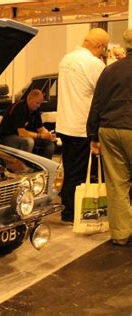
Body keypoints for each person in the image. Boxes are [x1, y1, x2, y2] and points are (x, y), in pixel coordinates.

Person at [56, 28, 109, 224]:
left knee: (71, 170)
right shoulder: (93, 63)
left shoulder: (66, 59)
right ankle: (72, 213)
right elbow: (104, 91)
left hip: (64, 124)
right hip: (81, 126)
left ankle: (67, 210)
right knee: (80, 174)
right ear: (99, 46)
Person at [87, 28, 132, 246]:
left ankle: (121, 234)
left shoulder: (110, 70)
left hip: (109, 129)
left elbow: (97, 103)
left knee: (117, 184)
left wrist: (93, 135)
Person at [0, 89, 56, 159]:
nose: (39, 106)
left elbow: (40, 128)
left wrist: (49, 135)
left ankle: (43, 167)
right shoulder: (20, 107)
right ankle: (23, 167)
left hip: (23, 136)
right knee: (29, 141)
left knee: (49, 143)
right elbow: (21, 133)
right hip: (7, 137)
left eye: (40, 103)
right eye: (37, 103)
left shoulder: (35, 109)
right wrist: (42, 136)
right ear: (29, 99)